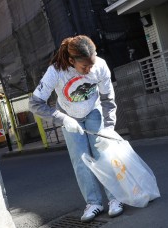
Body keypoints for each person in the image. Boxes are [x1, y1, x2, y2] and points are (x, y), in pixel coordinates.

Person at [29, 35, 123, 222]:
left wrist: (109, 128)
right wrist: (62, 119)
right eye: (84, 67)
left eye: (91, 65)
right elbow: (35, 103)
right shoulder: (56, 71)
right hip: (69, 116)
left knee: (102, 153)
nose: (88, 70)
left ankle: (115, 198)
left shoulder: (101, 66)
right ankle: (94, 203)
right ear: (71, 61)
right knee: (80, 160)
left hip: (94, 111)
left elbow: (107, 100)